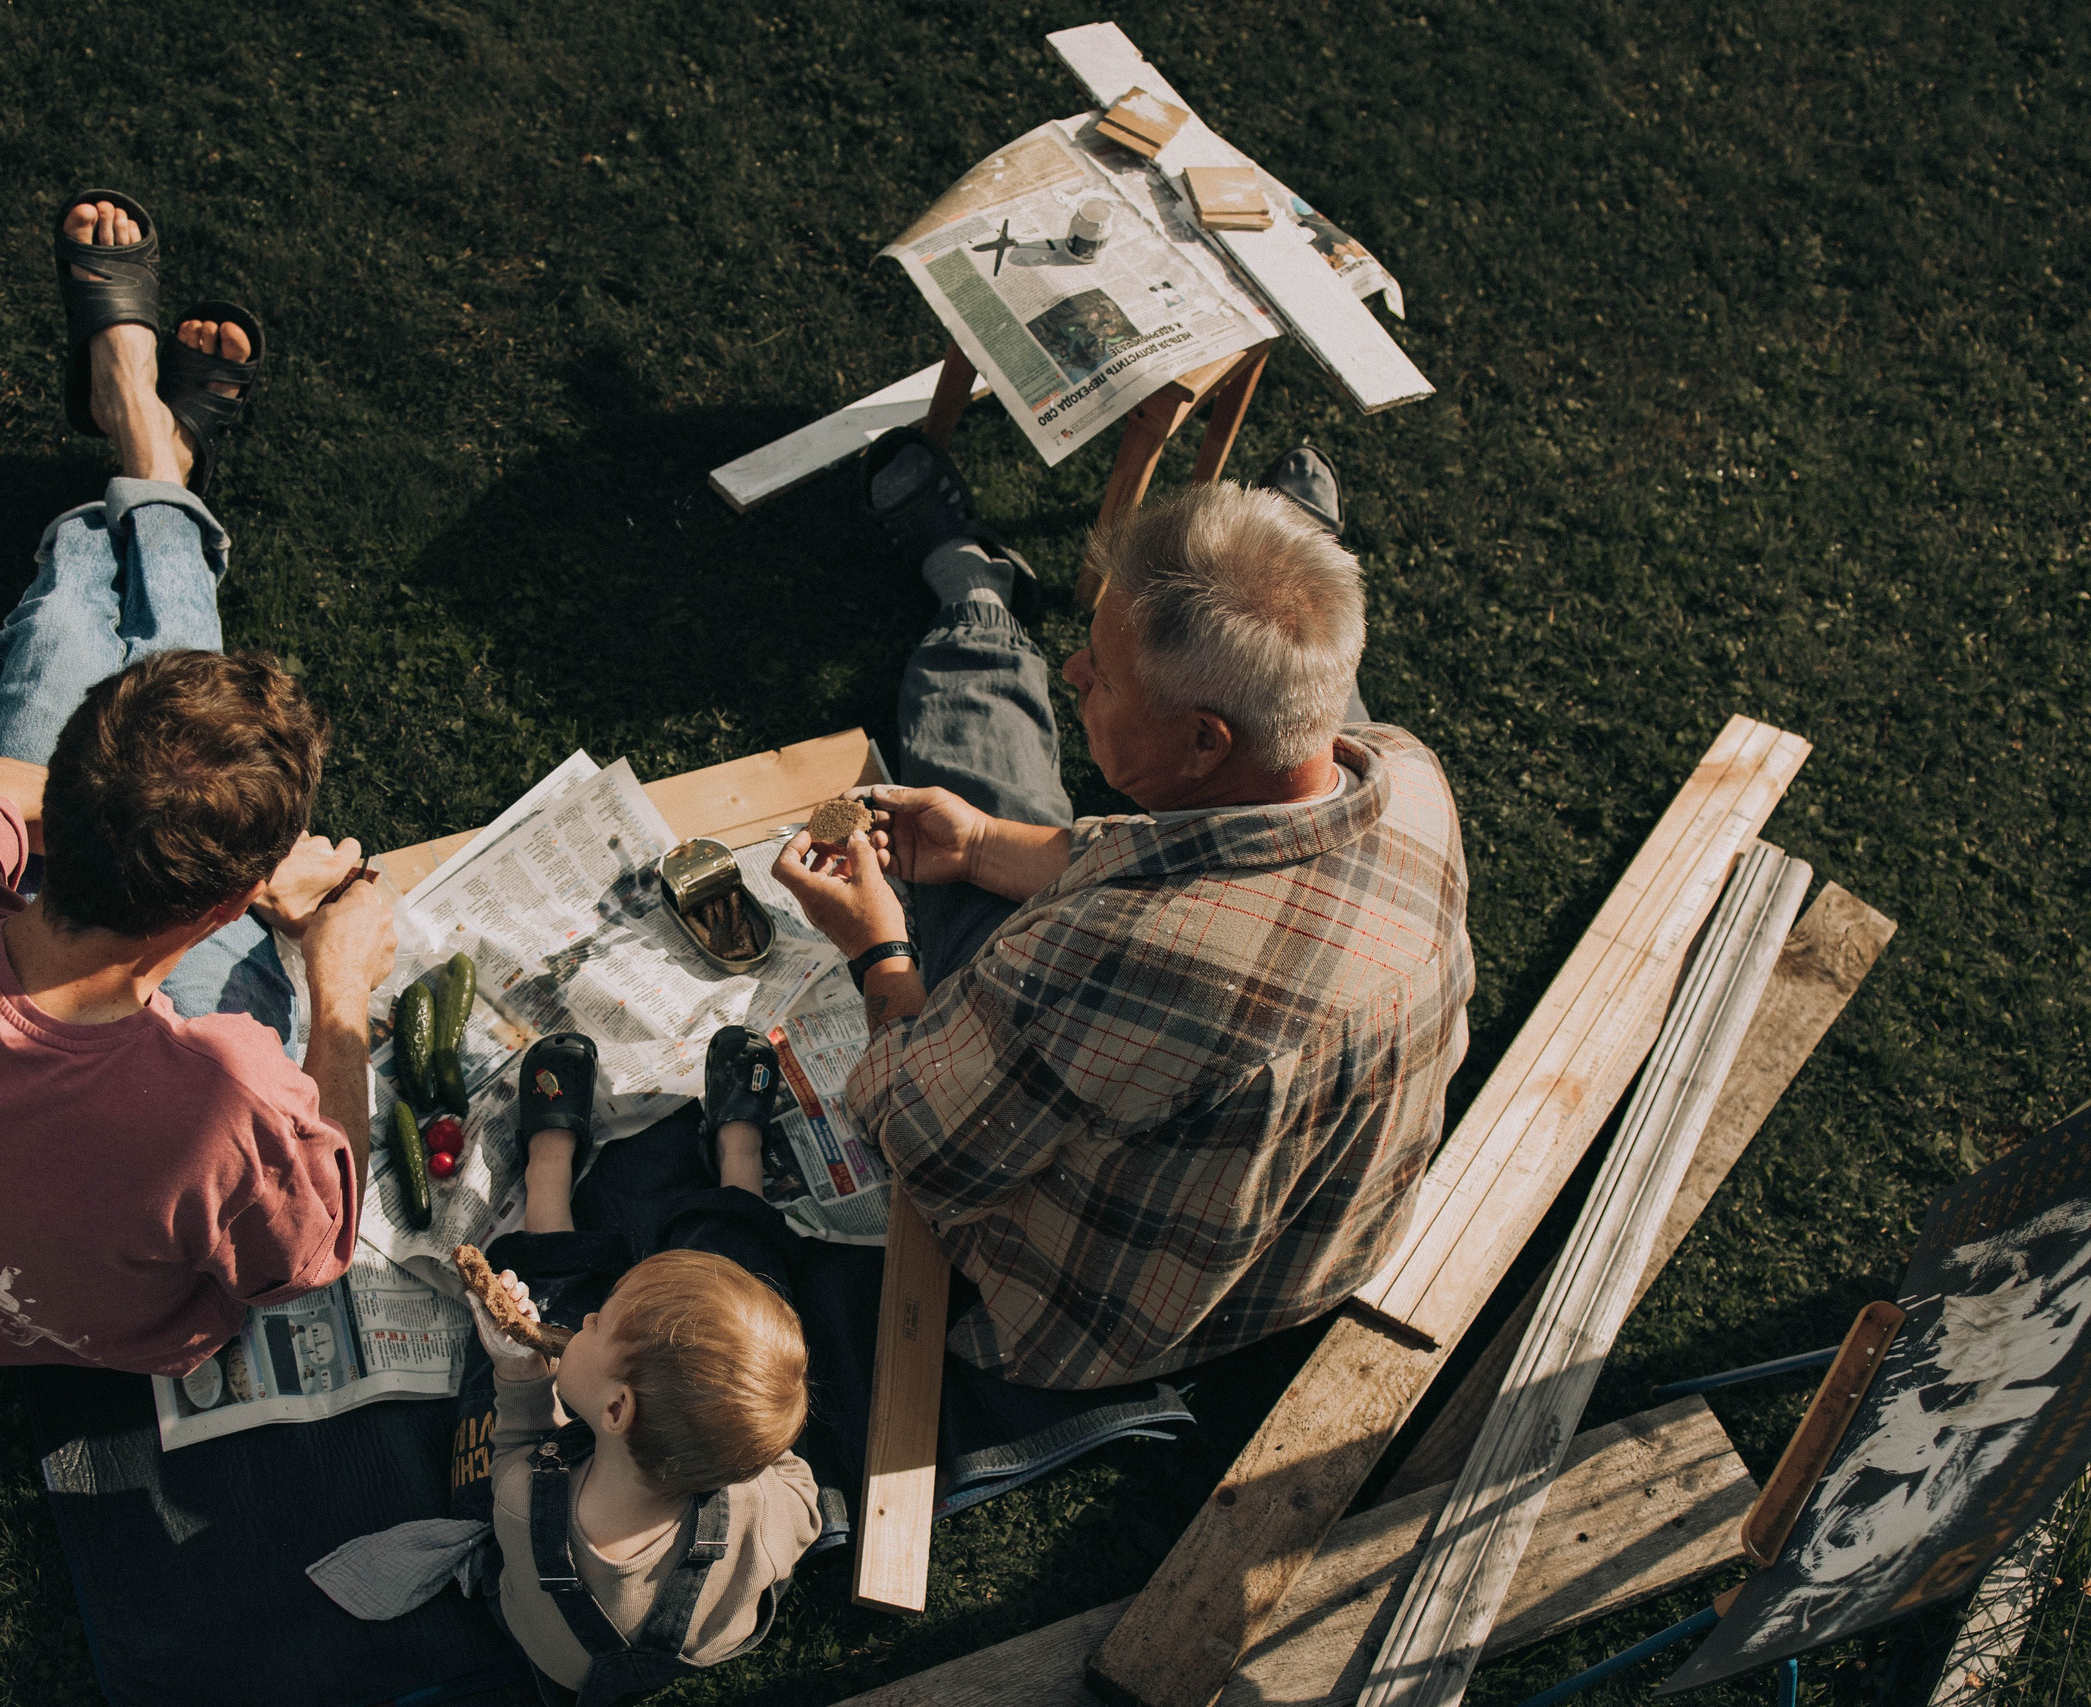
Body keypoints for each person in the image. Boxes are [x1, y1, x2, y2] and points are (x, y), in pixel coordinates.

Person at [0, 191, 397, 1375]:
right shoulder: (229, 1091)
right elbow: (314, 1254)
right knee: (113, 636)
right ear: (237, 904)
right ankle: (152, 448)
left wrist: (120, 785)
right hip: (112, 1335)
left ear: (61, 795)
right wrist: (337, 986)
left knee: (77, 624)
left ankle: (141, 433)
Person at [769, 433, 1475, 1391]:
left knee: (984, 771)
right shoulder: (1412, 776)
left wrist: (878, 946)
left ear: (1199, 741)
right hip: (1311, 1261)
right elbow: (1176, 857)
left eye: (1100, 672)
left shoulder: (1101, 960)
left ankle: (977, 608)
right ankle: (1281, 561)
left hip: (1096, 1319)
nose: (1071, 672)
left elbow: (916, 1138)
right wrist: (978, 846)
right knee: (994, 818)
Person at [469, 1027, 820, 1706]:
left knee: (550, 1297)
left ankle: (548, 1168)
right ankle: (740, 1157)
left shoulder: (522, 1503)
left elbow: (512, 1445)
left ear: (614, 1411)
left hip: (555, 1642)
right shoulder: (759, 1506)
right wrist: (749, 1435)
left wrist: (519, 1373)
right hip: (696, 1620)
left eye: (599, 1323)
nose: (591, 1317)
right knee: (745, 1295)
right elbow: (801, 1493)